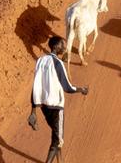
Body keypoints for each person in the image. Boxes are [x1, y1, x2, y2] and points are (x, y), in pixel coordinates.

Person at [29, 35, 90, 163]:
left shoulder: (40, 61)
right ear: (56, 47)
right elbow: (68, 88)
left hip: (44, 107)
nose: (65, 47)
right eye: (63, 45)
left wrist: (33, 111)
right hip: (56, 107)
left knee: (57, 135)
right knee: (58, 140)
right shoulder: (58, 63)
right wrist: (81, 90)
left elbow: (36, 86)